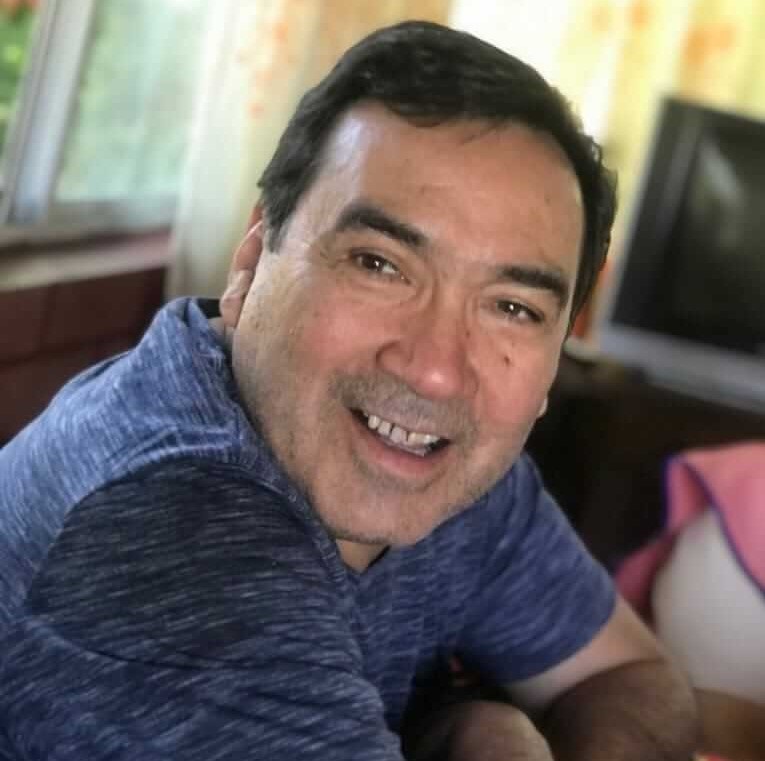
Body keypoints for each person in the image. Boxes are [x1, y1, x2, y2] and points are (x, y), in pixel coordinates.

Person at [0, 20, 696, 760]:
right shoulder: (173, 537)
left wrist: (480, 731)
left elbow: (630, 676)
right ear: (249, 264)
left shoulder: (456, 471)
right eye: (378, 264)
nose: (434, 370)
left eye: (513, 308)